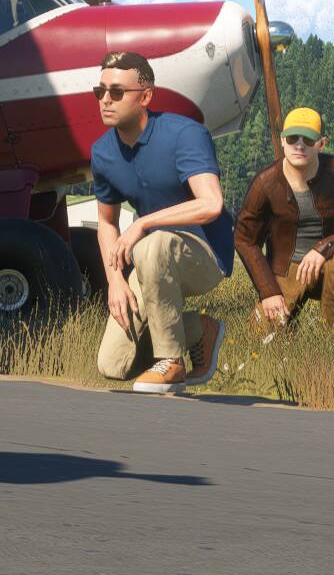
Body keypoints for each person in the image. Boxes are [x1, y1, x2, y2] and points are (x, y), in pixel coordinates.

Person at [86, 50, 229, 394]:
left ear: (146, 97)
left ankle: (171, 363)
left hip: (205, 253)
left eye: (117, 92)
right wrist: (115, 280)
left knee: (151, 244)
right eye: (100, 91)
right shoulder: (102, 152)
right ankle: (201, 330)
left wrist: (143, 223)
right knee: (112, 364)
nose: (105, 100)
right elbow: (107, 223)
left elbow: (211, 204)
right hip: (150, 258)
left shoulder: (185, 134)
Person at [231, 107, 334, 331]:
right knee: (261, 333)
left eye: (308, 139)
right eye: (293, 138)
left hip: (331, 264)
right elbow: (245, 239)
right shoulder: (265, 183)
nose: (299, 145)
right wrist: (268, 291)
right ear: (282, 141)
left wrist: (324, 247)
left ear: (321, 143)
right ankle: (286, 326)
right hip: (287, 269)